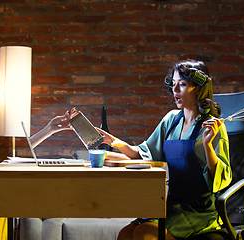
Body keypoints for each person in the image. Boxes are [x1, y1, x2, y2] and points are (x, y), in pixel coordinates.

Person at [97, 60, 232, 240]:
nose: (175, 90)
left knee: (144, 234)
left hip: (198, 212)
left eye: (182, 85)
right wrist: (116, 143)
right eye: (173, 84)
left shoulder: (213, 128)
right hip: (170, 204)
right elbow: (145, 154)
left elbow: (220, 182)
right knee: (125, 234)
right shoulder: (171, 120)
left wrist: (207, 145)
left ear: (199, 89)